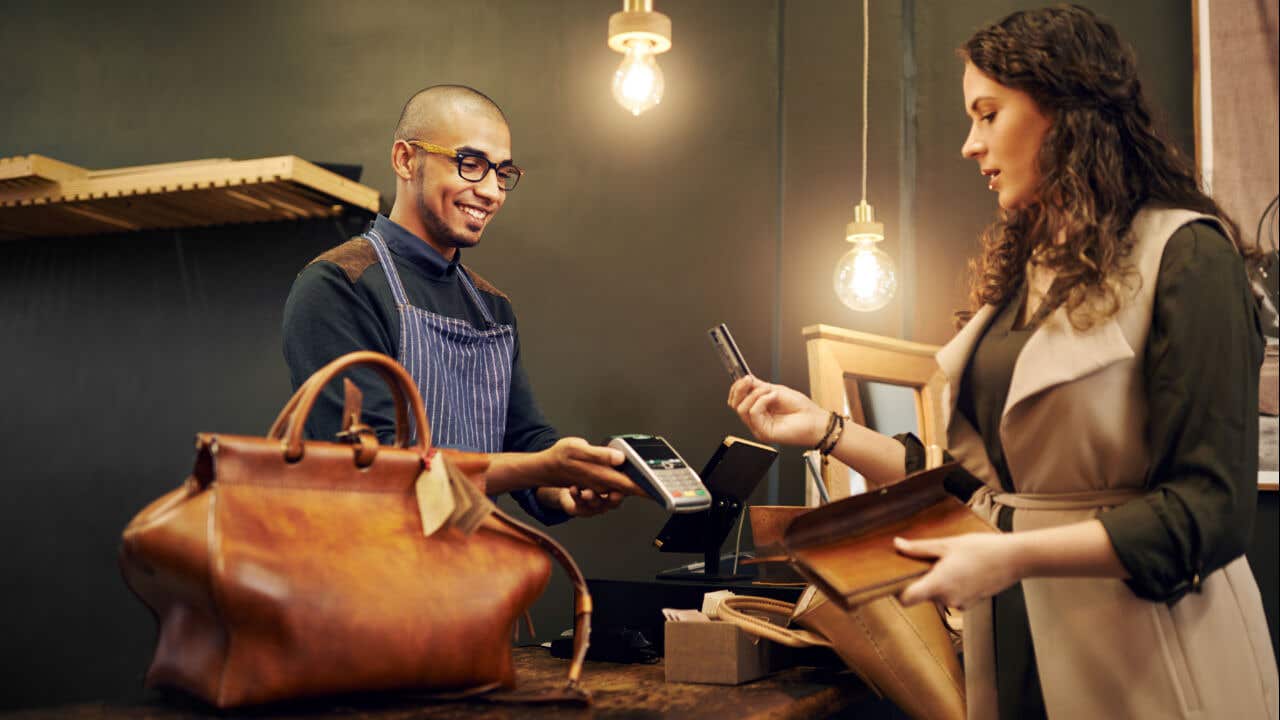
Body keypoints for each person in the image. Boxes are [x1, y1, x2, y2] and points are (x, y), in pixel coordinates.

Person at [728, 6, 1277, 719]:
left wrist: (1013, 557)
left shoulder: (1189, 256)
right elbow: (977, 487)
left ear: (1067, 110)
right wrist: (825, 430)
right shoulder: (1031, 276)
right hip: (1019, 635)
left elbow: (1214, 512)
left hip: (1152, 647)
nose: (969, 144)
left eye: (988, 114)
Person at [283, 84, 641, 524]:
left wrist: (565, 487)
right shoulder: (339, 284)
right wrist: (546, 465)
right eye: (470, 165)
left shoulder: (492, 307)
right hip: (370, 574)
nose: (492, 191)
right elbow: (377, 467)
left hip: (474, 569)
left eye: (502, 173)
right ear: (405, 159)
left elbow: (524, 440)